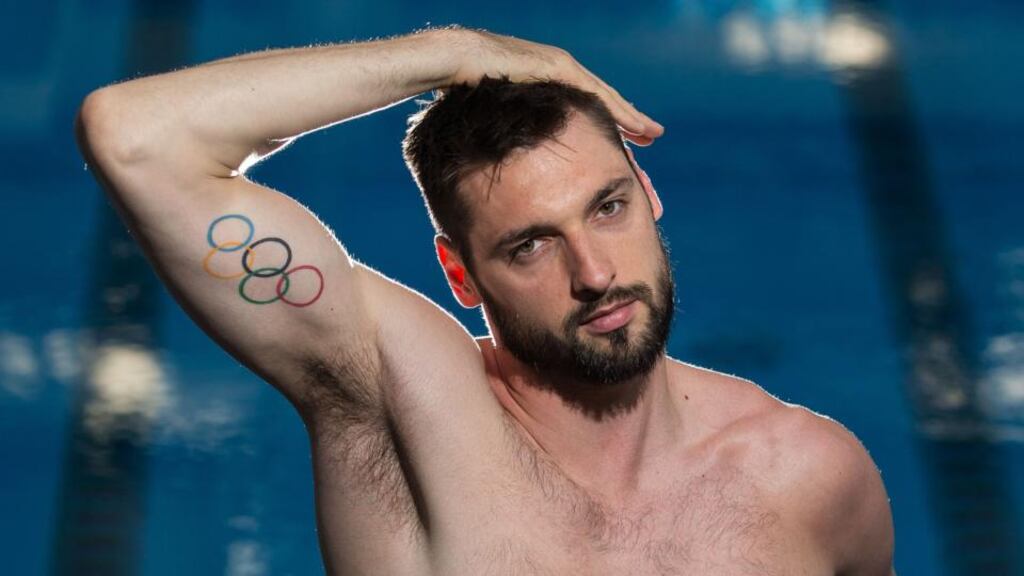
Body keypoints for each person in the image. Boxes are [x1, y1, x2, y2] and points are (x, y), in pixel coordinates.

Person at [75, 26, 895, 575]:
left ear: (646, 191)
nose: (596, 273)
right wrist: (445, 50)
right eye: (528, 244)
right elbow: (136, 136)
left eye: (607, 208)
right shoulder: (401, 410)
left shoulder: (814, 479)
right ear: (460, 274)